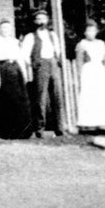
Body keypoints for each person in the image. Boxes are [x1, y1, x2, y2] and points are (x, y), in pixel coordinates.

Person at [74, 19, 105, 149]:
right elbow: (79, 62)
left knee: (103, 96)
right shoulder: (82, 44)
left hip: (100, 71)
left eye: (93, 30)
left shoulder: (101, 44)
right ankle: (89, 125)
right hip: (88, 71)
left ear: (96, 32)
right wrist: (80, 75)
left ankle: (104, 124)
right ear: (85, 32)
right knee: (90, 97)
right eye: (88, 31)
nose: (91, 33)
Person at [20, 9, 66, 138]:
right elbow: (24, 55)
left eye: (43, 19)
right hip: (40, 67)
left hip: (53, 64)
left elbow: (58, 51)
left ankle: (59, 128)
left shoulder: (53, 35)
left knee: (57, 97)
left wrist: (56, 61)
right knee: (40, 99)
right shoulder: (30, 37)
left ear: (47, 20)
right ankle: (39, 129)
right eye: (38, 19)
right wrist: (34, 64)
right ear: (35, 21)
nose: (41, 22)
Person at [0, 19, 32, 139]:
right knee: (6, 101)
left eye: (8, 27)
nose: (6, 30)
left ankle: (22, 131)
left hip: (16, 70)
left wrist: (24, 74)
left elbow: (20, 58)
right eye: (3, 28)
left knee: (20, 101)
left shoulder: (15, 42)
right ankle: (7, 132)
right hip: (3, 70)